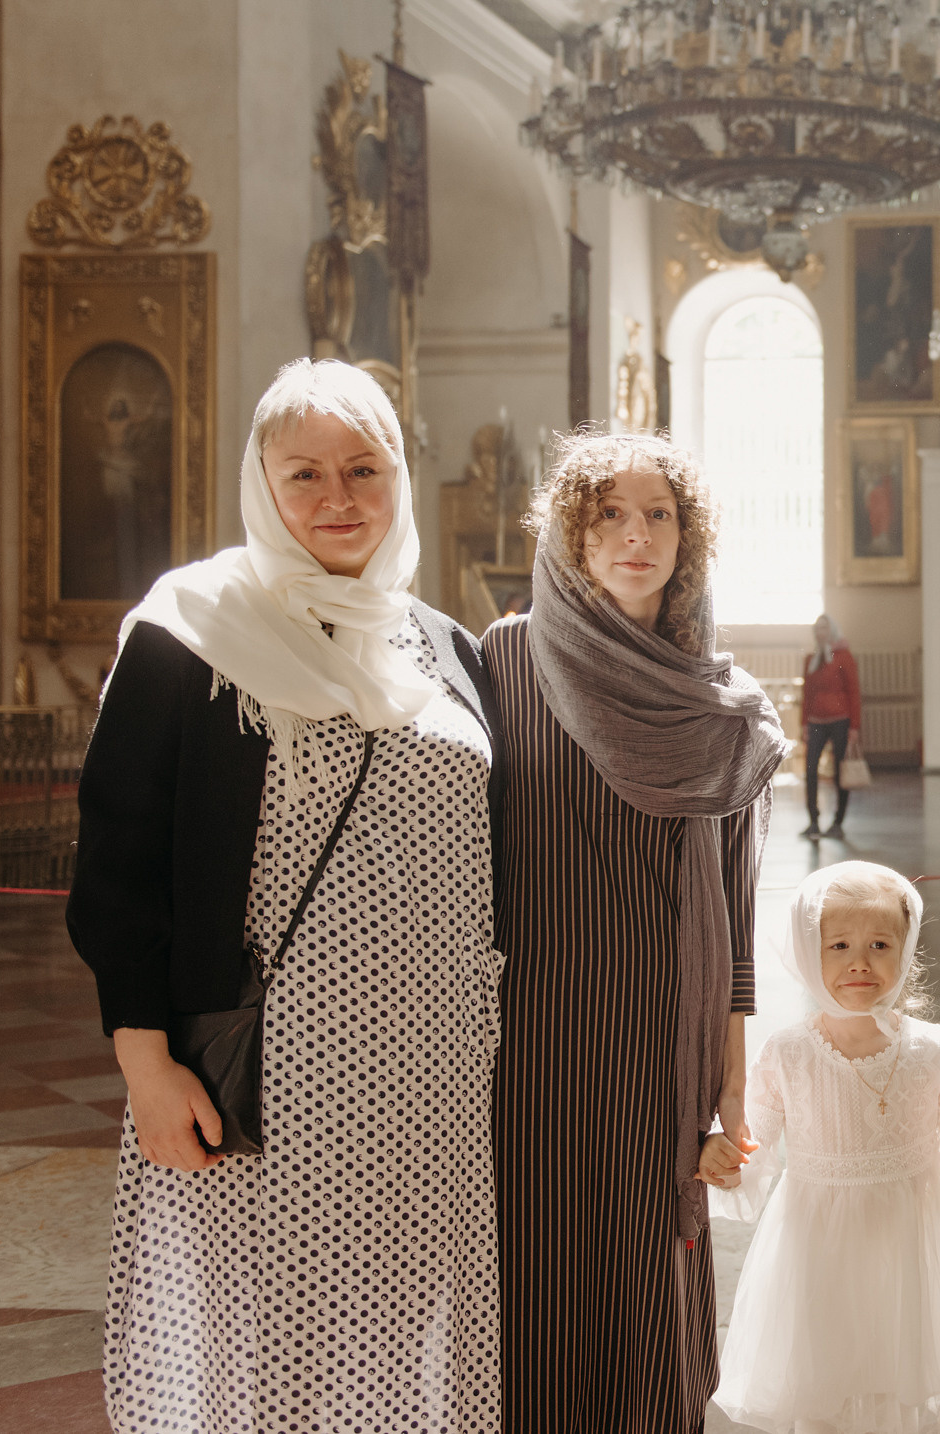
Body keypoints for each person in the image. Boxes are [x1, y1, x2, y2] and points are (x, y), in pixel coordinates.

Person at [68, 357, 503, 1433]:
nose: (338, 499)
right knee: (254, 1328)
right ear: (262, 482)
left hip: (433, 1075)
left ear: (401, 478)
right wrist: (145, 1064)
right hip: (267, 1069)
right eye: (304, 474)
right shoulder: (190, 635)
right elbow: (117, 865)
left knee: (407, 1321)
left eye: (364, 469)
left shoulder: (441, 647)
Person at [486, 429, 788, 1434]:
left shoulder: (719, 701)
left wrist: (732, 1082)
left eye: (659, 513)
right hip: (534, 1029)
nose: (635, 534)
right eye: (607, 512)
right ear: (569, 535)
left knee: (656, 1267)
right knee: (542, 1264)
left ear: (686, 536)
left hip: (669, 1029)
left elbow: (738, 908)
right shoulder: (504, 660)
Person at [702, 861, 940, 1434]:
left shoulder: (933, 1049)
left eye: (879, 943)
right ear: (806, 952)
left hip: (911, 1248)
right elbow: (755, 1152)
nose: (860, 962)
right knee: (824, 1385)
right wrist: (724, 1162)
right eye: (838, 944)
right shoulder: (788, 1053)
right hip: (818, 1252)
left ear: (906, 949)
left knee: (903, 1386)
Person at [802, 613, 862, 838]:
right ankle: (813, 822)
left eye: (824, 628)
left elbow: (854, 691)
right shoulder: (811, 658)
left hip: (840, 720)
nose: (820, 632)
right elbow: (806, 693)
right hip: (816, 721)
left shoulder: (843, 656)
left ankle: (838, 822)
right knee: (810, 769)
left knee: (840, 772)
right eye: (817, 628)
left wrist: (854, 726)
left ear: (832, 631)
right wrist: (804, 723)